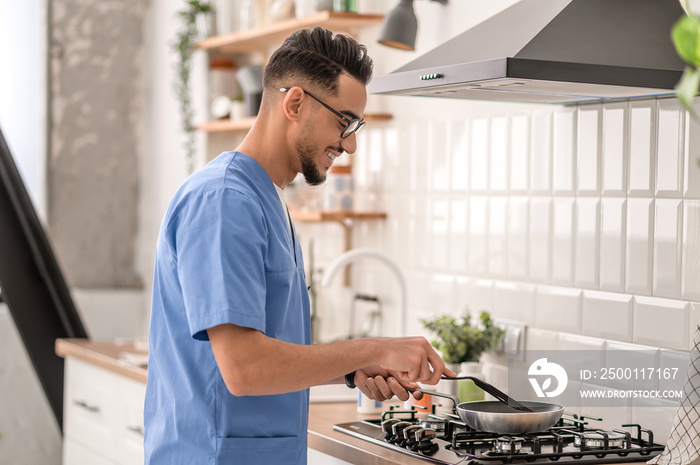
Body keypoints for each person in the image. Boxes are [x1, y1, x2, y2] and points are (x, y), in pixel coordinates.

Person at [143, 27, 454, 465]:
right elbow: (245, 368)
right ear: (295, 104)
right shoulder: (225, 201)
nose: (350, 144)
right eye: (344, 122)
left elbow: (270, 353)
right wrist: (372, 348)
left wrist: (349, 368)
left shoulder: (263, 198)